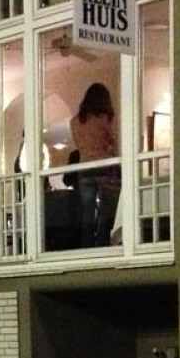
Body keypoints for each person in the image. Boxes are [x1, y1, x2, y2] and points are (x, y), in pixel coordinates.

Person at [69, 83, 120, 248]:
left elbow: (79, 145)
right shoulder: (103, 119)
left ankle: (86, 248)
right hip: (104, 167)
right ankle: (103, 246)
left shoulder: (75, 122)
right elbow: (112, 141)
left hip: (84, 169)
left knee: (87, 215)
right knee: (106, 212)